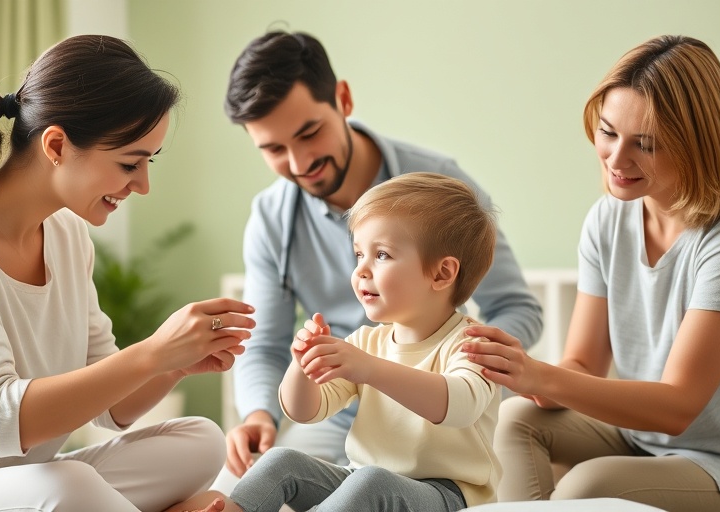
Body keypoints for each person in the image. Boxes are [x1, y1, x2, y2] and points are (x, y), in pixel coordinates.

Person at [0, 35, 255, 512]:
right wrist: (152, 352)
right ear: (56, 144)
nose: (142, 185)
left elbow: (110, 407)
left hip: (17, 481)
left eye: (147, 163)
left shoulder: (66, 236)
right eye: (129, 163)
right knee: (70, 487)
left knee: (200, 441)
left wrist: (173, 363)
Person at [461, 35, 720, 512]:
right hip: (643, 440)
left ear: (699, 144)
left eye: (646, 145)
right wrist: (514, 374)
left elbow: (678, 406)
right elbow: (583, 366)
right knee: (513, 420)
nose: (615, 160)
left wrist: (542, 375)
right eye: (608, 132)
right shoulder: (609, 218)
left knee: (586, 488)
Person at [220, 29, 544, 482]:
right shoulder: (272, 219)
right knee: (251, 481)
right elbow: (268, 344)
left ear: (343, 99)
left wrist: (457, 365)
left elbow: (517, 309)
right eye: (274, 150)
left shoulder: (441, 184)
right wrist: (259, 414)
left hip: (444, 406)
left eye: (309, 133)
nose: (298, 163)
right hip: (337, 410)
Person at [171, 173, 503, 512]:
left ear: (442, 273)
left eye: (382, 255)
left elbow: (457, 406)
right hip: (362, 479)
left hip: (446, 496)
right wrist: (301, 365)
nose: (361, 270)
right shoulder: (365, 342)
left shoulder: (475, 345)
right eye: (359, 254)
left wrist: (370, 370)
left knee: (370, 481)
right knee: (280, 461)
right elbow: (305, 411)